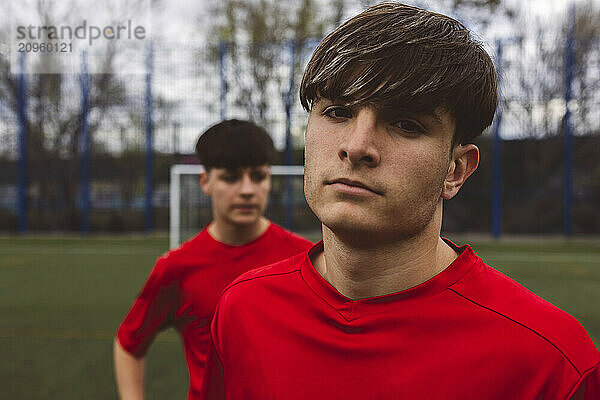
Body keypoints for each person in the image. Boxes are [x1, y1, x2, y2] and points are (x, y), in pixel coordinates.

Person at [201, 3, 600, 399]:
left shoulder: (551, 359)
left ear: (456, 169)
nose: (357, 147)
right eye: (338, 112)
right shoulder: (243, 309)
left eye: (405, 124)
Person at [113, 119, 312, 400]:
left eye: (258, 176)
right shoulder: (177, 268)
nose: (247, 189)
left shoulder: (306, 258)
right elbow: (128, 344)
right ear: (205, 182)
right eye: (231, 177)